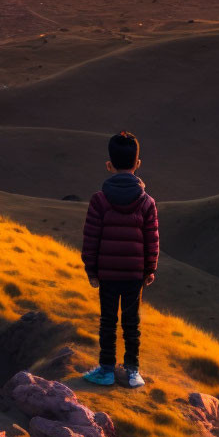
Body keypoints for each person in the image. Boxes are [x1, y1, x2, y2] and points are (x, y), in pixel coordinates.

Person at [80, 131, 158, 388]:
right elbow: (151, 239)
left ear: (109, 165)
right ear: (138, 164)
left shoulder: (99, 200)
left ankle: (106, 370)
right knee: (131, 321)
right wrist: (149, 269)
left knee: (108, 321)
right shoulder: (147, 202)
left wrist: (91, 269)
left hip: (108, 273)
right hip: (134, 274)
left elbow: (91, 237)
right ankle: (133, 371)